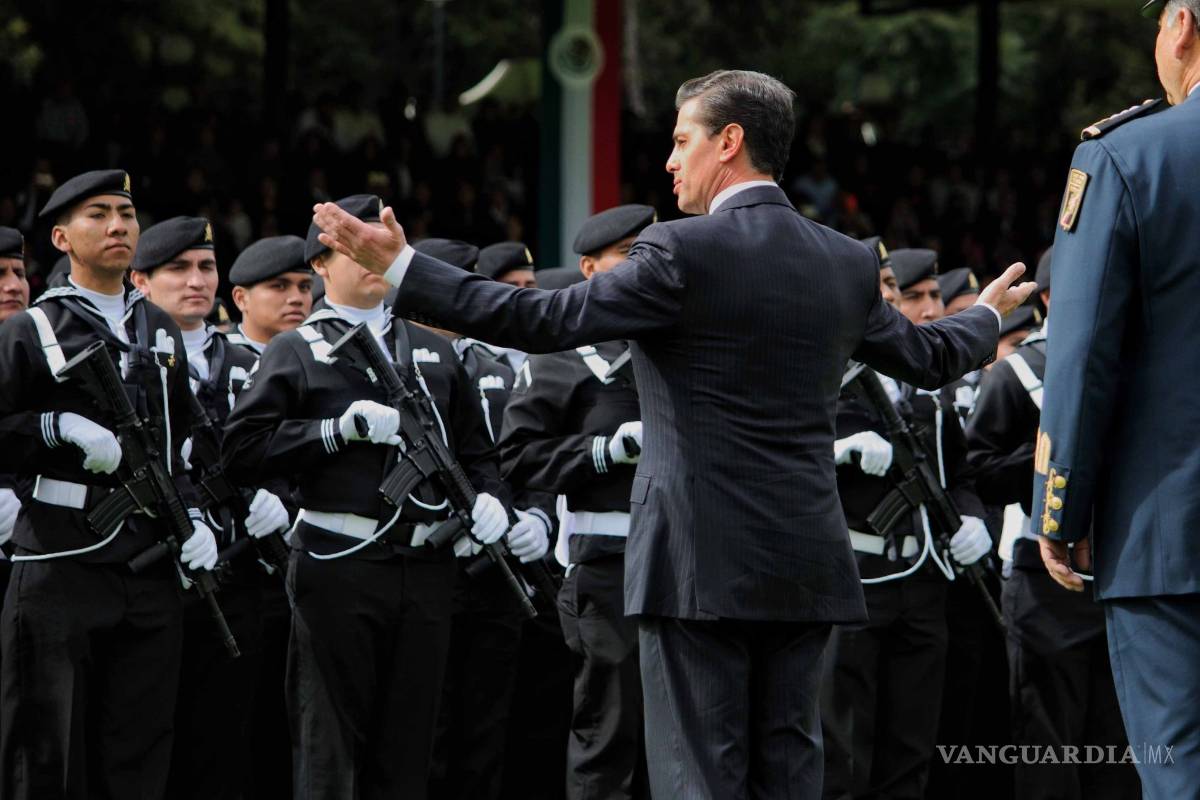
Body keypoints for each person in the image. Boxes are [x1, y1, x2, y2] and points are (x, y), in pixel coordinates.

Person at [312, 70, 1034, 797]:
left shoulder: (677, 251)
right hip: (808, 559)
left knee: (700, 774)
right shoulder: (846, 261)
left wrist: (401, 267)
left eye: (682, 139)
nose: (669, 160)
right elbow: (931, 357)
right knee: (789, 774)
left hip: (696, 561)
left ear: (730, 142)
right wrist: (984, 317)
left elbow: (538, 322)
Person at [222, 194, 511, 800]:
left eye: (382, 243)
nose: (373, 258)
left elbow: (478, 454)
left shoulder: (431, 350)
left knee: (409, 744)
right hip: (339, 564)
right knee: (331, 744)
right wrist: (332, 432)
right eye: (354, 246)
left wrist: (492, 501)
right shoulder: (298, 349)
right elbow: (242, 449)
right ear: (322, 265)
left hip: (426, 567)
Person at [0, 169, 218, 799]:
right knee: (50, 755)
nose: (119, 224)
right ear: (63, 238)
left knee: (139, 750)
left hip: (150, 565)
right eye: (98, 214)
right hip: (62, 559)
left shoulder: (159, 328)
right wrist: (53, 426)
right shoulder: (31, 330)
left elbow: (187, 441)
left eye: (125, 212)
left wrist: (198, 515)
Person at [1034, 2, 1200, 795]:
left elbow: (1079, 355)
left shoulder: (1128, 157)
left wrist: (1059, 511)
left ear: (1179, 27)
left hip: (1168, 534)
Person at [127, 216, 292, 800]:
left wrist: (283, 503)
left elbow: (287, 453)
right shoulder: (126, 359)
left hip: (239, 571)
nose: (196, 281)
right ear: (140, 281)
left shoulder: (253, 362)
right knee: (143, 739)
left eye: (206, 267)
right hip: (147, 571)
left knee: (227, 741)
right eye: (177, 269)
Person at [966, 247, 1138, 800]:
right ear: (1045, 299)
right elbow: (980, 469)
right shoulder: (1017, 370)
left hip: (1118, 572)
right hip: (1041, 582)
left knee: (1119, 744)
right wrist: (1059, 459)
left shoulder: (1131, 367)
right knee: (1048, 743)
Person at [822, 245, 992, 800]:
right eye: (888, 288)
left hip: (925, 586)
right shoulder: (822, 374)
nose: (896, 299)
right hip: (855, 580)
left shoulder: (928, 386)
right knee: (846, 750)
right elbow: (771, 453)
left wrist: (973, 520)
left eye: (902, 288)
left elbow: (959, 474)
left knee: (911, 750)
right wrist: (840, 448)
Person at [499, 204, 656, 800]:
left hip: (689, 556)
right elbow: (518, 458)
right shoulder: (561, 358)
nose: (646, 266)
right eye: (629, 255)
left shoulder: (685, 348)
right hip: (609, 563)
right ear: (590, 268)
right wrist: (603, 452)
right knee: (610, 732)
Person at [415, 236, 551, 800]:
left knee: (487, 729)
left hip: (497, 572)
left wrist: (537, 518)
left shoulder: (497, 368)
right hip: (426, 566)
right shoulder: (403, 360)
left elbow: (523, 458)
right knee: (428, 732)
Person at [227, 235, 314, 353]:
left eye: (304, 287)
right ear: (241, 299)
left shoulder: (324, 356)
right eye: (279, 286)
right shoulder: (215, 361)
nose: (296, 298)